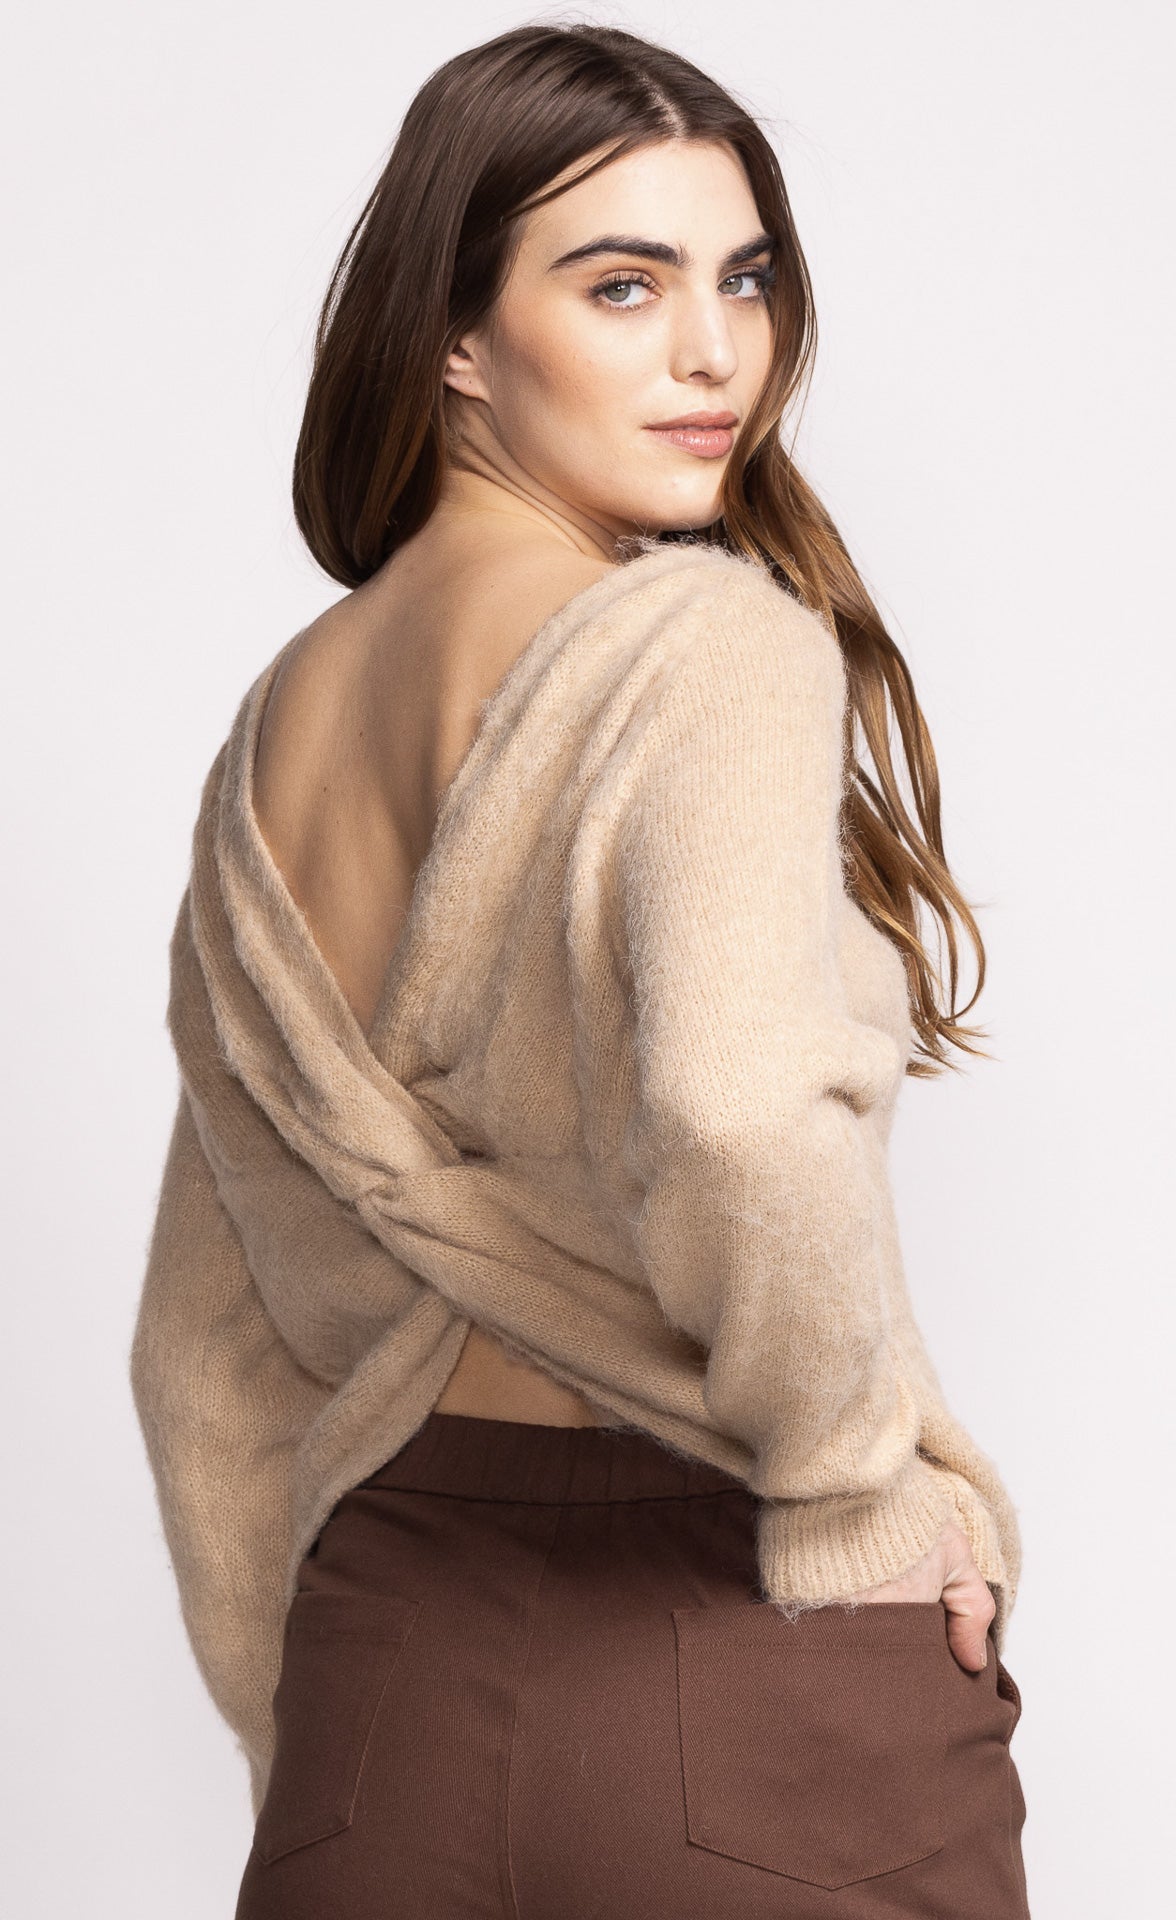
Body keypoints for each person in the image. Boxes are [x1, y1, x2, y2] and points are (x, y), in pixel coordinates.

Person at [129, 23, 1030, 1918]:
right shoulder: (701, 644)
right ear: (458, 335)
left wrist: (325, 1729)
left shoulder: (270, 739)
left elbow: (201, 1358)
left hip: (383, 1683)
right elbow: (732, 1109)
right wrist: (851, 1493)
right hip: (741, 1661)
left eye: (745, 280)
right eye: (624, 285)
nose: (716, 353)